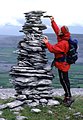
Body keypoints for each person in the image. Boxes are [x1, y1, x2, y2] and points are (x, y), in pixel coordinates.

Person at [43, 16, 74, 107]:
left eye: (61, 30)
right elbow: (57, 31)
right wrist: (53, 21)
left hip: (62, 65)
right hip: (62, 63)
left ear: (63, 33)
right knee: (64, 80)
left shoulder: (63, 43)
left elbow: (53, 49)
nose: (59, 31)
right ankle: (67, 95)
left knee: (64, 80)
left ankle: (69, 97)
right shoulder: (63, 37)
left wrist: (46, 43)